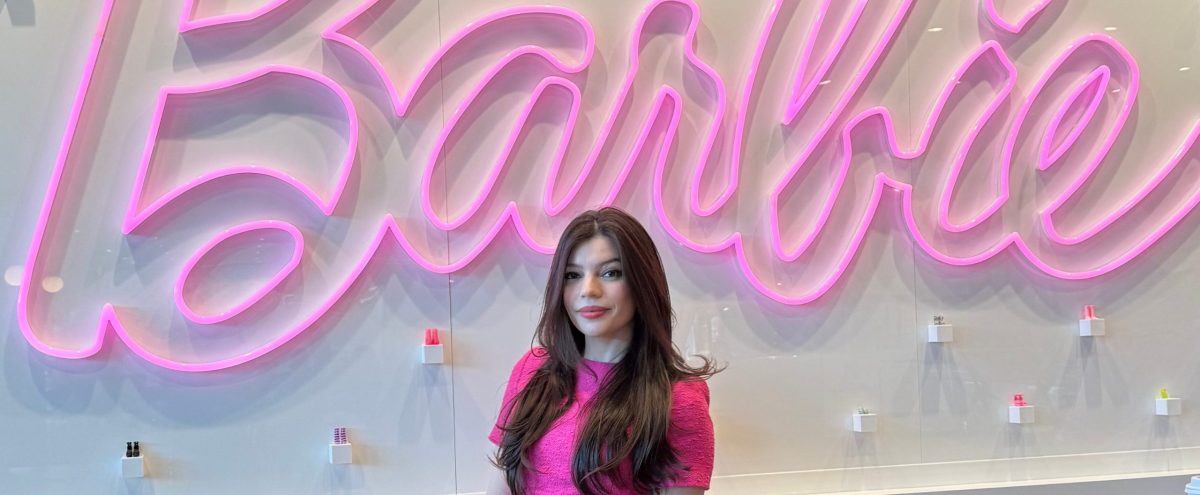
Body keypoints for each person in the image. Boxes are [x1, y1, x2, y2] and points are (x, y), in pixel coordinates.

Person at [486, 207, 721, 495]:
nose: (589, 289)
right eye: (572, 275)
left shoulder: (678, 399)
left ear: (642, 282)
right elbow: (501, 484)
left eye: (611, 273)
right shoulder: (533, 370)